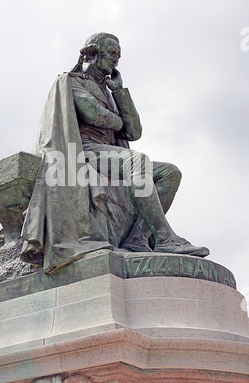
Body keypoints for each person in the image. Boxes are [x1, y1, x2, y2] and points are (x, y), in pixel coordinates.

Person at [20, 33, 209, 274]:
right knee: (138, 160)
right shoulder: (72, 80)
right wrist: (119, 121)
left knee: (170, 173)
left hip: (109, 151)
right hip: (84, 150)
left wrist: (120, 92)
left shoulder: (109, 91)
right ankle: (165, 237)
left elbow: (135, 131)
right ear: (93, 53)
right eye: (112, 53)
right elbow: (92, 113)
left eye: (119, 55)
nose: (116, 59)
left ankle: (138, 239)